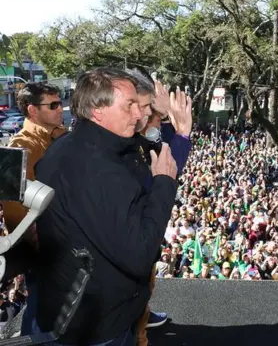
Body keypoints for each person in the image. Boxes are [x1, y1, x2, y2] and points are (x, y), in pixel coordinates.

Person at [32, 68, 178, 345]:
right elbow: (139, 254)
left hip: (81, 312)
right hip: (97, 326)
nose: (138, 115)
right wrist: (164, 183)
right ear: (98, 110)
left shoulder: (71, 146)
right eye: (129, 105)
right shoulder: (98, 169)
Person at [124, 68, 192, 345]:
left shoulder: (129, 136)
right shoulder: (120, 145)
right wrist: (182, 132)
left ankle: (141, 320)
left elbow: (155, 145)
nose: (142, 115)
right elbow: (165, 168)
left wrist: (166, 120)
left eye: (146, 108)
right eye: (139, 107)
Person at [0, 82, 66, 336]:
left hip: (62, 239)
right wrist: (41, 241)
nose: (61, 109)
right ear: (32, 110)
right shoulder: (19, 147)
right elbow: (15, 206)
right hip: (42, 246)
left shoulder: (62, 136)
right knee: (41, 305)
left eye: (60, 102)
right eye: (53, 105)